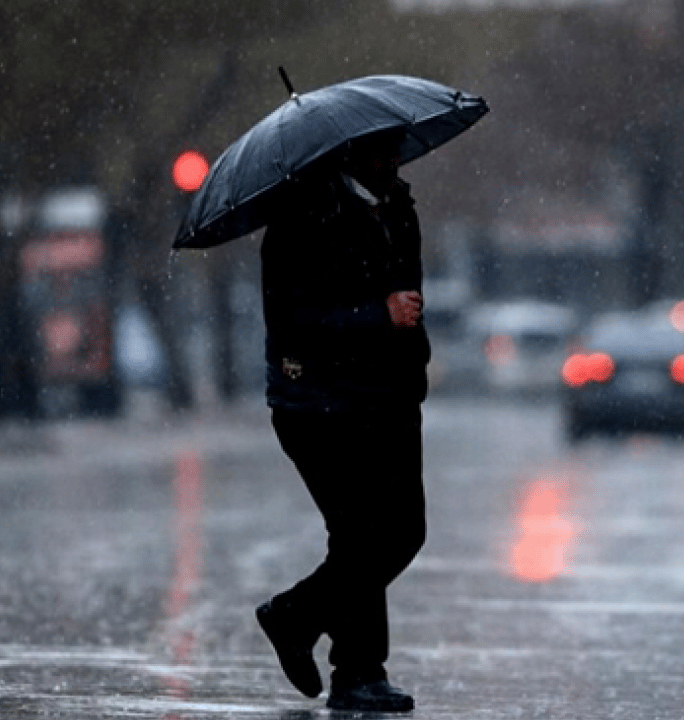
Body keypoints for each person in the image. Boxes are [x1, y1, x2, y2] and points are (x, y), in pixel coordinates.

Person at [254, 127, 428, 713]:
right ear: (350, 152)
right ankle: (355, 669)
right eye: (382, 150)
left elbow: (411, 299)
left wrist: (411, 364)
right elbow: (295, 322)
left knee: (401, 532)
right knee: (363, 535)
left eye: (397, 148)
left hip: (389, 398)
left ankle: (301, 622)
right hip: (320, 405)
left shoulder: (398, 208)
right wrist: (375, 317)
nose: (394, 159)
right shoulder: (303, 216)